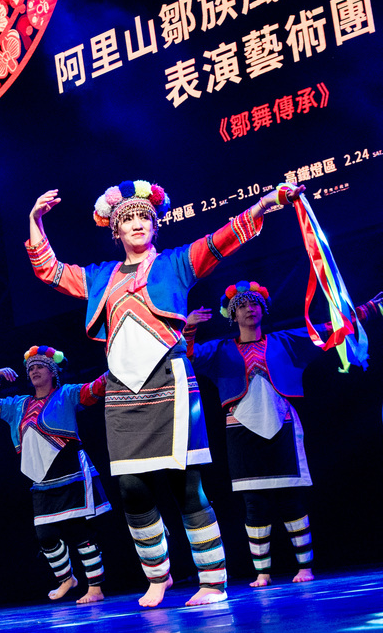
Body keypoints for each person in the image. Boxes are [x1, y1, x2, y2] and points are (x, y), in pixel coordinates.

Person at [26, 179, 304, 606]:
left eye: (144, 217)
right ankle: (159, 576)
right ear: (116, 231)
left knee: (186, 486)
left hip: (170, 384)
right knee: (131, 489)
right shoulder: (100, 277)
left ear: (155, 225)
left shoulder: (176, 263)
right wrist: (35, 220)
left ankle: (212, 581)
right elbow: (51, 271)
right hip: (122, 392)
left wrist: (265, 204)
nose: (137, 224)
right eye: (128, 219)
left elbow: (222, 239)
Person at [184, 282, 382, 587]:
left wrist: (368, 309)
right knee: (254, 504)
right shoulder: (220, 350)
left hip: (282, 424)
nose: (249, 309)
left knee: (291, 499)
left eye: (254, 303)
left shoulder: (285, 340)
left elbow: (331, 329)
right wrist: (189, 328)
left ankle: (305, 567)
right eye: (242, 305)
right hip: (241, 431)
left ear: (264, 309)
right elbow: (187, 356)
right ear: (232, 315)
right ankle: (262, 572)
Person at [0, 345, 110, 604]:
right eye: (31, 368)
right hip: (41, 479)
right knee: (45, 535)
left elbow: (95, 389)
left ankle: (95, 588)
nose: (34, 371)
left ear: (53, 372)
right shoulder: (18, 405)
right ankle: (67, 579)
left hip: (70, 470)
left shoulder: (66, 394)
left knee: (80, 531)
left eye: (40, 367)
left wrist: (115, 367)